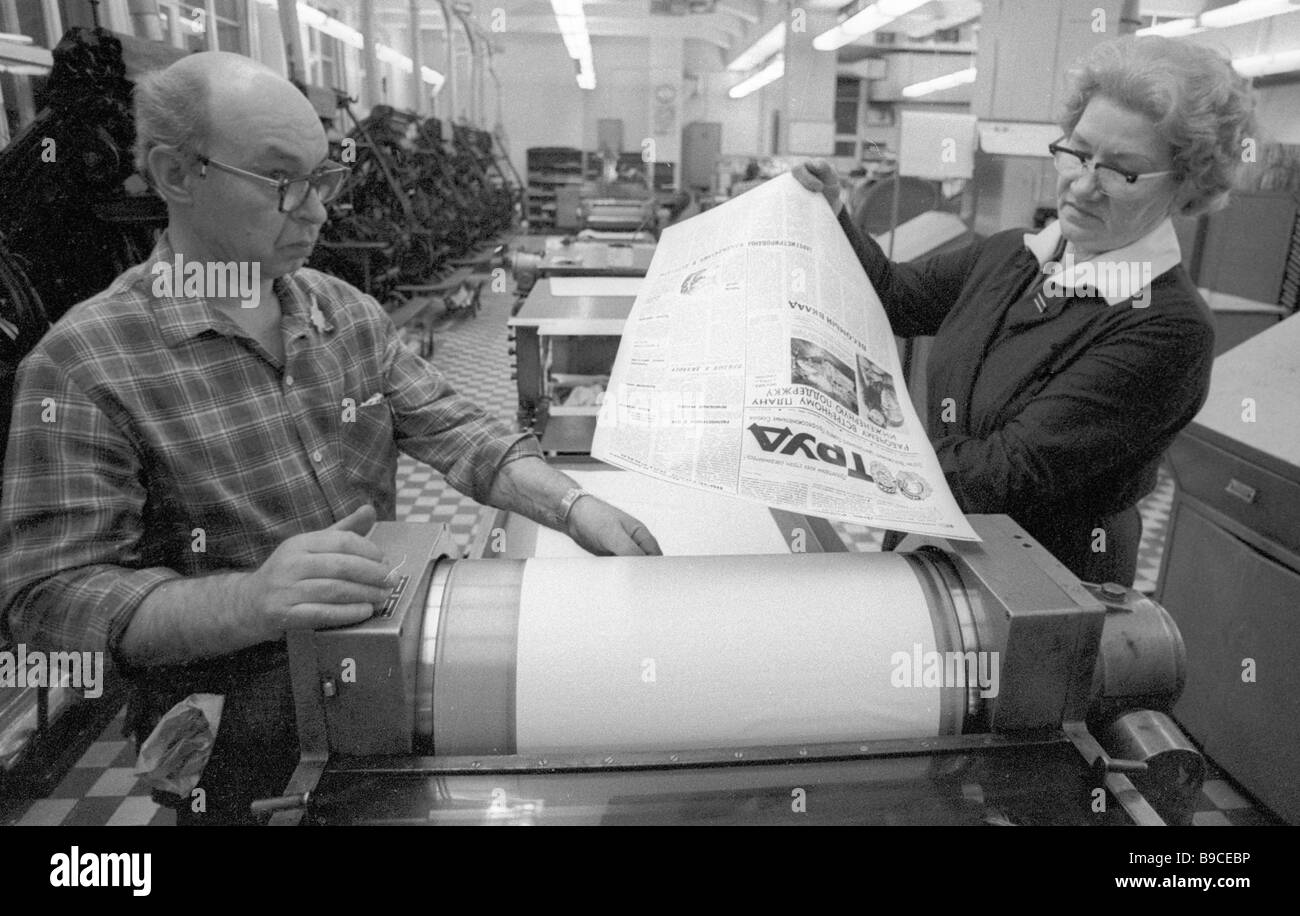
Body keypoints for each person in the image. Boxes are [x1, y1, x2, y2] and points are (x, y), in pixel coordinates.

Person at [0, 52, 660, 824]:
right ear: (177, 174)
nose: (317, 211)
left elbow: (456, 432)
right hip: (232, 729)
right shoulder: (86, 365)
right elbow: (47, 598)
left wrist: (574, 505)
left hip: (379, 680)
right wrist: (250, 601)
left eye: (325, 179)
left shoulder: (343, 312)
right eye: (284, 181)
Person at [795, 35, 1255, 585]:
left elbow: (1006, 472)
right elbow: (894, 296)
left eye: (1121, 171)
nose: (1083, 186)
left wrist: (832, 450)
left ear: (1187, 188)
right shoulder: (1015, 254)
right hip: (931, 541)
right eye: (1078, 152)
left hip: (1041, 588)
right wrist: (832, 211)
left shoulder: (1165, 327)